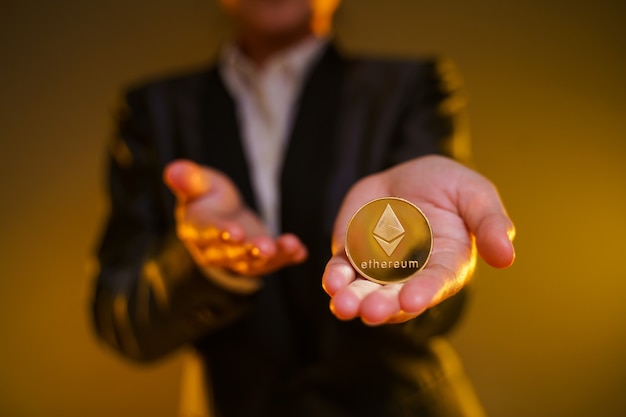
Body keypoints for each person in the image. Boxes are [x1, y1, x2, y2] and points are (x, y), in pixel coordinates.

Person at [91, 0, 516, 416]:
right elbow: (120, 320)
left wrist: (412, 268)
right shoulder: (152, 110)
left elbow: (437, 304)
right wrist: (204, 263)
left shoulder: (411, 86)